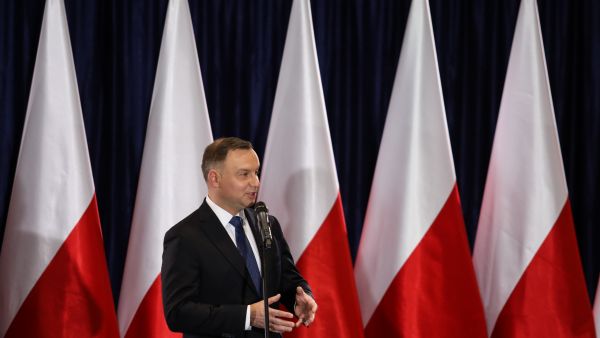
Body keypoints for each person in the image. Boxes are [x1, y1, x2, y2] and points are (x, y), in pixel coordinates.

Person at [161, 137, 318, 338]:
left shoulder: (267, 223)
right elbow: (178, 313)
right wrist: (247, 316)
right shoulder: (185, 236)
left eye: (256, 172)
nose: (256, 182)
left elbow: (287, 278)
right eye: (244, 174)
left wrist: (300, 298)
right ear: (214, 178)